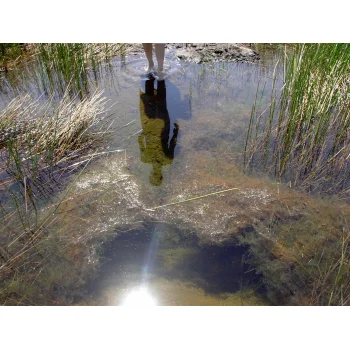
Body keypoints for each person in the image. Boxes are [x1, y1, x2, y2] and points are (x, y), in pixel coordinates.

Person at [138, 76, 179, 186]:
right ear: (161, 175)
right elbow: (173, 143)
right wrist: (176, 132)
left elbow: (140, 142)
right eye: (158, 176)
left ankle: (150, 77)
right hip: (162, 130)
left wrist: (143, 133)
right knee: (161, 104)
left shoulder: (145, 159)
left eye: (154, 175)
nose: (156, 173)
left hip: (150, 129)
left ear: (151, 174)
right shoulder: (167, 160)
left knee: (150, 102)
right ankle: (159, 78)